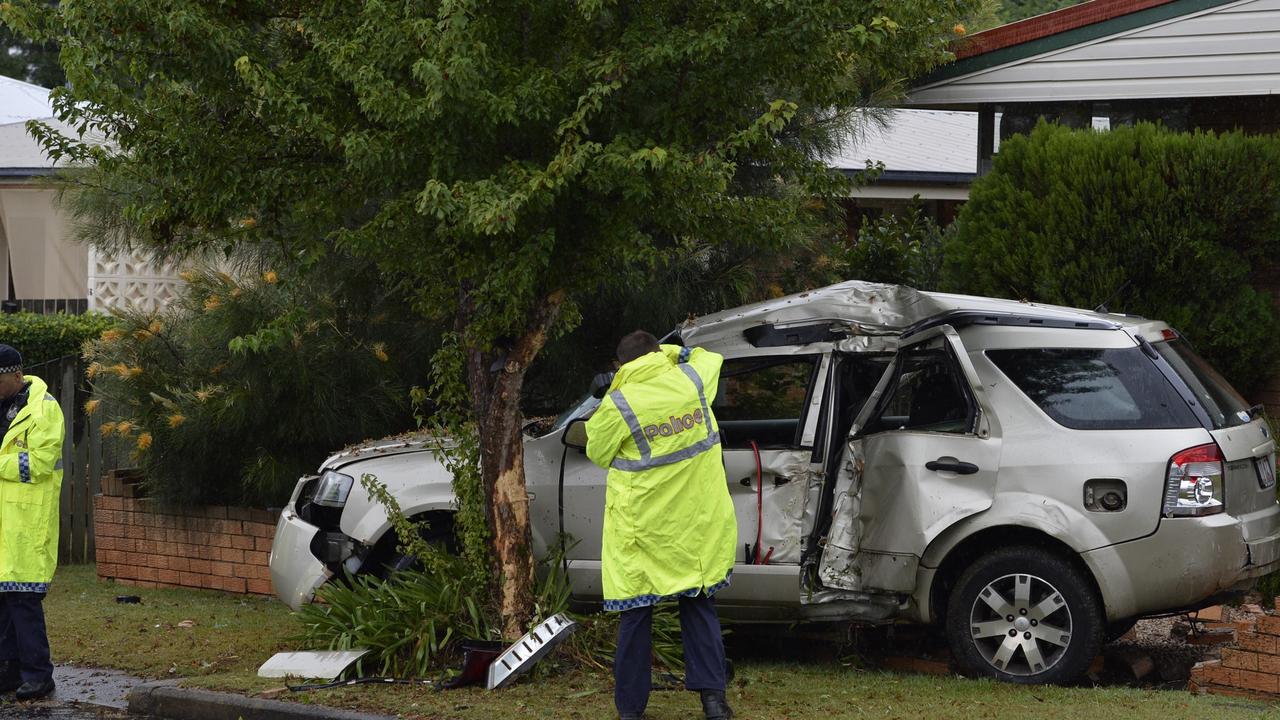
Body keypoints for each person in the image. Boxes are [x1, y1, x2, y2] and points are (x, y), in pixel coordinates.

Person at [586, 330, 736, 720]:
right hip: (696, 527)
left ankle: (630, 712)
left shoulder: (618, 404)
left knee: (636, 619)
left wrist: (609, 388)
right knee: (699, 606)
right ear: (658, 354)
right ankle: (713, 702)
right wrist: (668, 352)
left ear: (621, 366)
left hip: (644, 534)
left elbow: (596, 450)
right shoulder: (693, 378)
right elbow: (705, 355)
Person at [0, 344, 64, 700]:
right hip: (4, 523)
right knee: (4, 605)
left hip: (27, 522)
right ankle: (8, 673)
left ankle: (39, 675)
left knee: (23, 603)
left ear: (15, 375)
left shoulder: (42, 409)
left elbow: (38, 463)